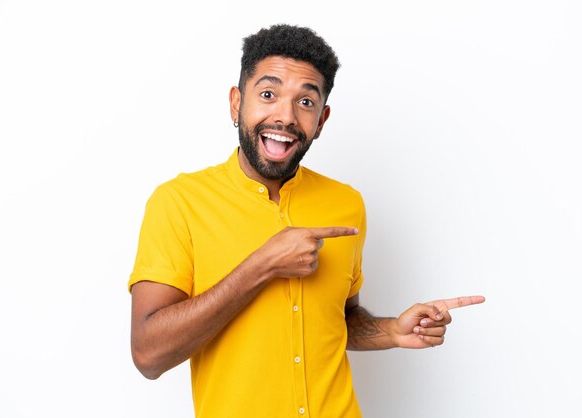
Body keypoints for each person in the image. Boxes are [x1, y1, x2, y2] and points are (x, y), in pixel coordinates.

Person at [128, 24, 485, 418]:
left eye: (306, 102)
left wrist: (393, 331)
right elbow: (148, 354)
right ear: (236, 103)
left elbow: (339, 319)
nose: (285, 116)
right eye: (268, 94)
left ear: (322, 118)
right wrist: (262, 265)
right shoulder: (179, 203)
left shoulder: (346, 203)